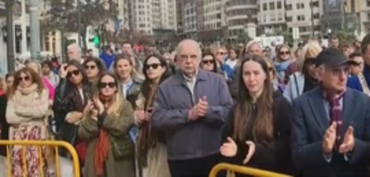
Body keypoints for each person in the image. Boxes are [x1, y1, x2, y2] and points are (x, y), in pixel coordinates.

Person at [152, 39, 233, 177]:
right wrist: (188, 115)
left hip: (213, 154)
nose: (188, 61)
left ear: (200, 58)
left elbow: (230, 113)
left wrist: (208, 112)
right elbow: (158, 119)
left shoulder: (217, 81)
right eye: (184, 57)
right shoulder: (166, 87)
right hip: (181, 158)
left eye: (193, 56)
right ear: (177, 60)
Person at [291, 49, 370, 176]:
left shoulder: (364, 102)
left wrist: (353, 147)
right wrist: (323, 149)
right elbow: (297, 154)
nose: (343, 77)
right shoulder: (301, 104)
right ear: (320, 73)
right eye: (336, 71)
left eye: (346, 70)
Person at [220, 55, 293, 174]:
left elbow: (288, 143)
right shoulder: (237, 108)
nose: (251, 78)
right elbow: (228, 141)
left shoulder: (280, 104)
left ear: (265, 75)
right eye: (247, 74)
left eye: (256, 73)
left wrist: (258, 150)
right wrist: (235, 151)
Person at [78, 72, 135, 177]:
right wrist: (94, 118)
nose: (107, 87)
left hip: (118, 158)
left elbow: (122, 128)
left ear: (116, 87)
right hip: (94, 156)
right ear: (99, 87)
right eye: (103, 85)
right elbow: (82, 133)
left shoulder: (125, 105)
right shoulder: (91, 106)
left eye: (111, 84)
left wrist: (102, 114)